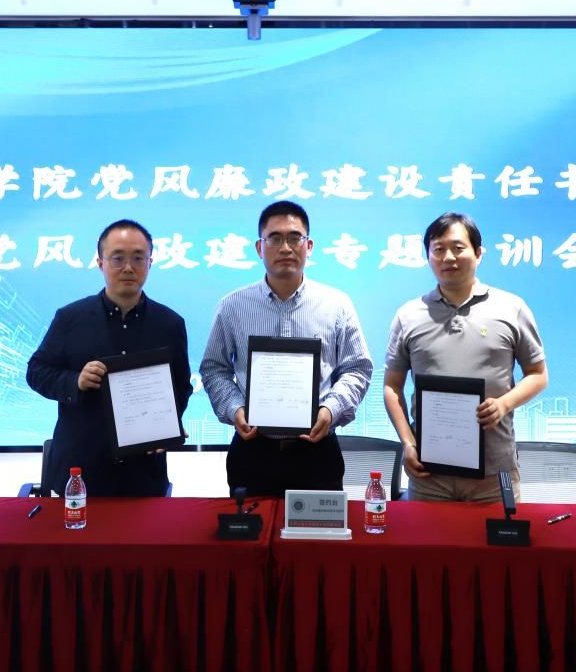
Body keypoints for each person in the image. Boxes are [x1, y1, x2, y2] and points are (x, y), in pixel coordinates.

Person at [201, 201, 372, 497]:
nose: (285, 248)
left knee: (318, 528)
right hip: (253, 451)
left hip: (318, 452)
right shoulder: (232, 306)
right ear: (259, 248)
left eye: (295, 238)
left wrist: (331, 410)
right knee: (250, 527)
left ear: (309, 246)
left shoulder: (336, 305)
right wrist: (235, 408)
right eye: (275, 238)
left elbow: (357, 368)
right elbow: (214, 368)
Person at [383, 212, 547, 502]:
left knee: (499, 534)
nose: (448, 257)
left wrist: (504, 404)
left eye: (458, 248)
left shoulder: (512, 308)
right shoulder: (408, 315)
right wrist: (408, 443)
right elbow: (391, 386)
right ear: (428, 256)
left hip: (494, 474)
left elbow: (538, 375)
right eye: (438, 249)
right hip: (429, 475)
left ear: (478, 253)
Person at [26, 219, 192, 497]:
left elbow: (181, 386)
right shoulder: (70, 318)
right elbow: (36, 371)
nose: (128, 267)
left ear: (150, 263)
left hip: (144, 472)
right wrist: (75, 381)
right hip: (80, 471)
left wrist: (167, 426)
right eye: (117, 258)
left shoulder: (170, 324)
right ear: (100, 263)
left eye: (138, 258)